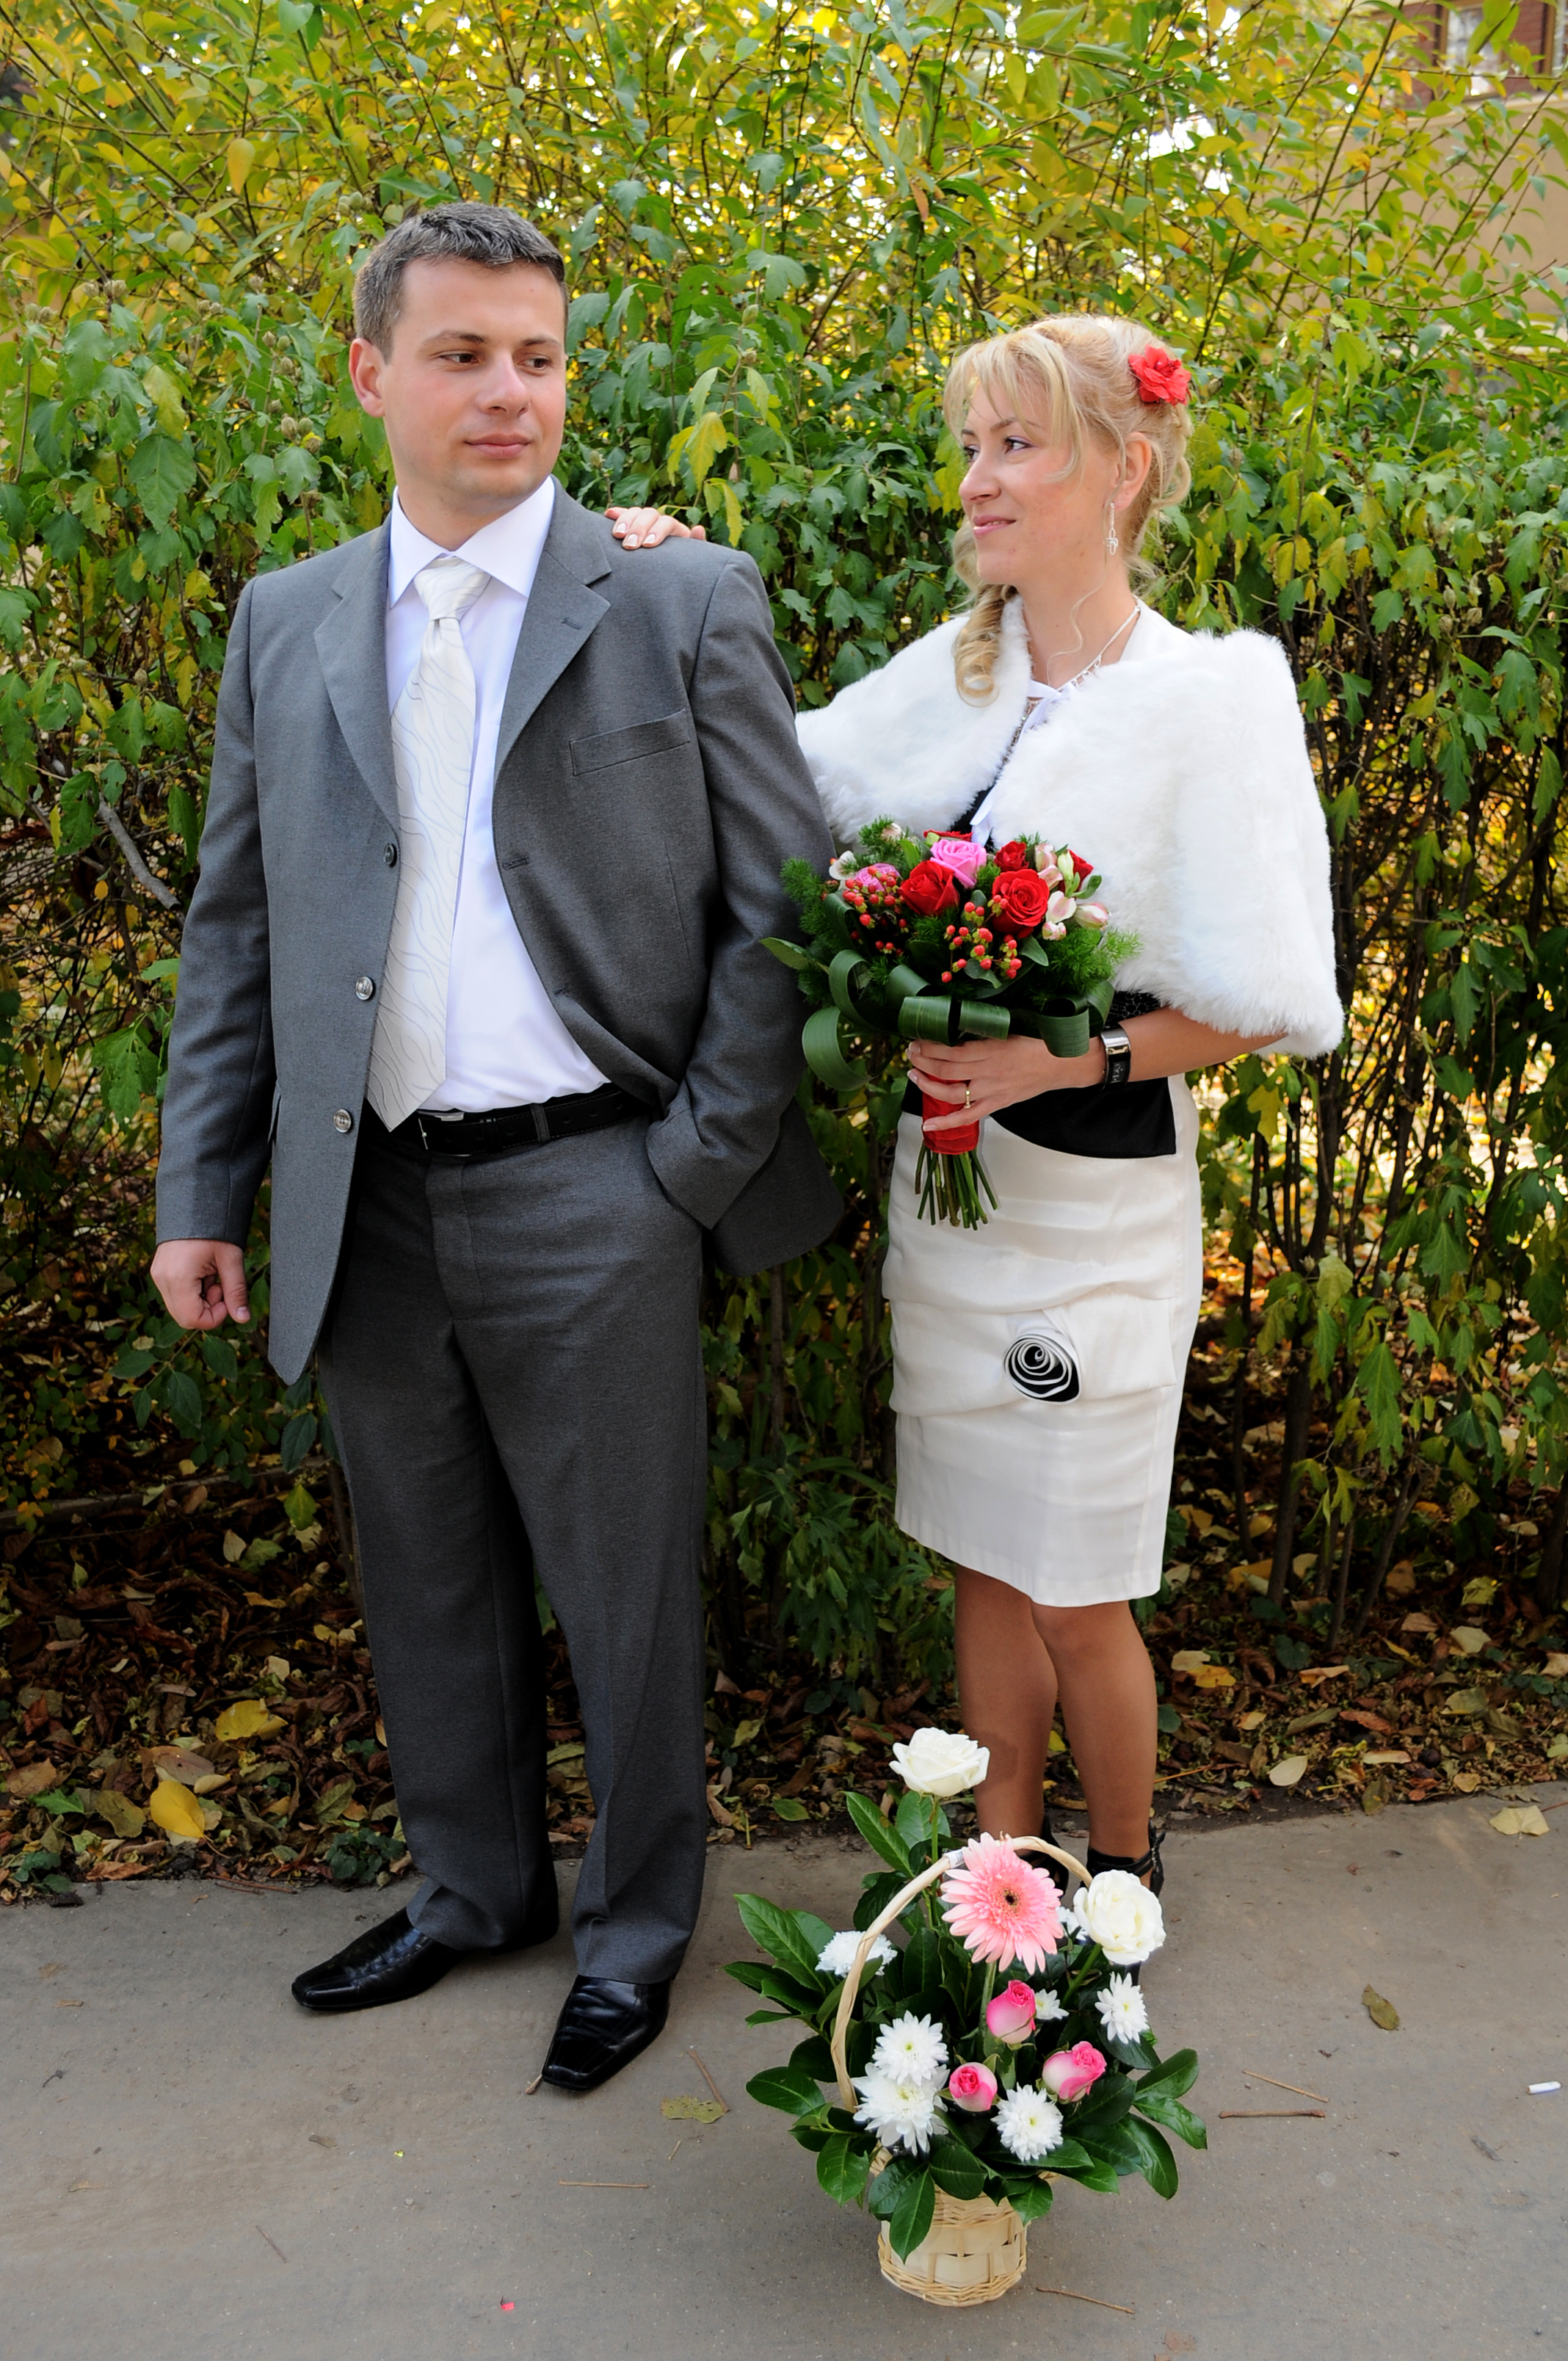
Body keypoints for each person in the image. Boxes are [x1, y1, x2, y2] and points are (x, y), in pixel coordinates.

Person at [150, 203, 840, 2093]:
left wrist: (689, 1164)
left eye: (538, 357)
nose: (508, 392)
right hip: (365, 1197)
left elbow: (784, 910)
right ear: (371, 375)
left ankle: (634, 1932)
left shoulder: (680, 599)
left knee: (625, 1592)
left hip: (599, 1188)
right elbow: (239, 925)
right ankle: (474, 1891)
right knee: (426, 1575)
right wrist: (206, 1192)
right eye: (461, 355)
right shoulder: (290, 619)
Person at [613, 314, 1341, 1893]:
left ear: (1122, 470)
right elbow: (772, 785)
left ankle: (1123, 1890)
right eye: (970, 447)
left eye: (1016, 445)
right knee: (982, 1560)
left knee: (1077, 1582)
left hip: (1098, 1213)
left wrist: (1064, 1059)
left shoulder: (1212, 700)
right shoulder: (957, 674)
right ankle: (997, 1879)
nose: (977, 480)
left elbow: (1269, 1000)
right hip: (951, 1201)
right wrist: (667, 581)